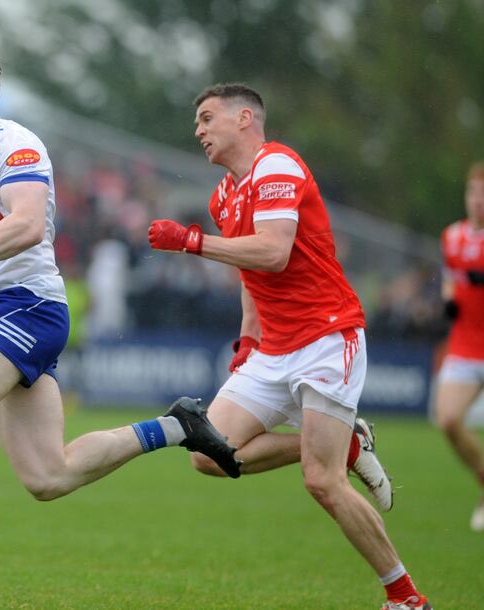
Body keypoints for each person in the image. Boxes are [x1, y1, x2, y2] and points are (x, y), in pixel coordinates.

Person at [0, 39, 241, 605]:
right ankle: (178, 426)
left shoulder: (15, 144)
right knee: (48, 477)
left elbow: (29, 224)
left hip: (30, 306)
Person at [147, 83, 431, 610]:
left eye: (208, 118)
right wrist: (249, 338)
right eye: (197, 123)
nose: (199, 130)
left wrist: (191, 241)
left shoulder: (277, 165)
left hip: (327, 336)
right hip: (273, 346)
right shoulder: (223, 194)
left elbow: (273, 252)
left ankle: (406, 597)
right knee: (207, 455)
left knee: (321, 483)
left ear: (245, 118)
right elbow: (250, 271)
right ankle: (348, 444)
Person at [435, 160, 484, 531]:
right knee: (449, 419)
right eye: (474, 193)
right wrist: (449, 297)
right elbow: (451, 278)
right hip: (466, 344)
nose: (478, 201)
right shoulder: (452, 236)